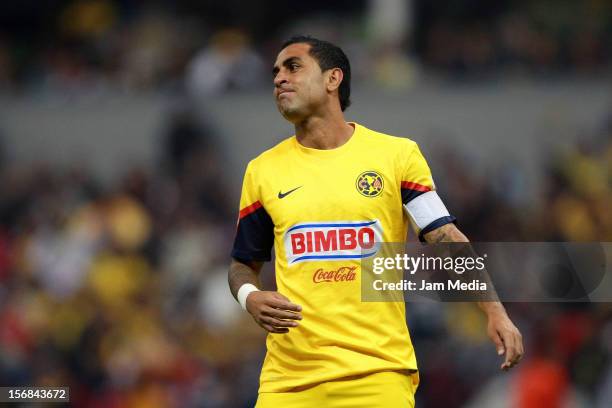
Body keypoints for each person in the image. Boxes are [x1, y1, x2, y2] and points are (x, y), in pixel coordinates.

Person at [228, 35, 524, 407]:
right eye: (275, 72)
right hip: (288, 384)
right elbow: (242, 263)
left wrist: (494, 310)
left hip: (377, 376)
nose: (278, 78)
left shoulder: (396, 156)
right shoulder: (262, 171)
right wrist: (250, 297)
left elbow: (445, 235)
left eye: (293, 67)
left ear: (333, 78)